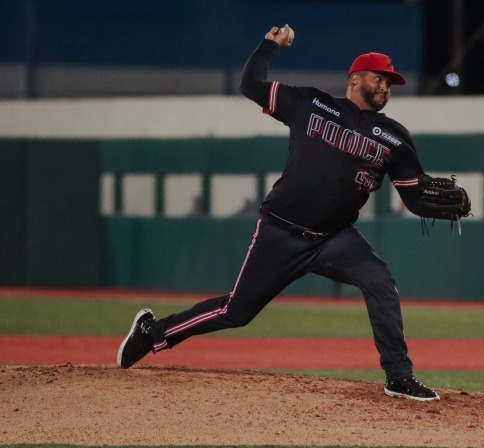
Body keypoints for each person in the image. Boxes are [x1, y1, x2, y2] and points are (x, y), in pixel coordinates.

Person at [117, 24, 446, 401]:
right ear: (354, 79)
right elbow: (251, 85)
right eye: (379, 77)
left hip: (335, 238)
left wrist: (442, 205)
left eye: (391, 82)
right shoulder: (312, 103)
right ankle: (153, 333)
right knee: (235, 311)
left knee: (381, 283)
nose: (386, 86)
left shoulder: (396, 138)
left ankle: (398, 376)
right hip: (281, 232)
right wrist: (268, 46)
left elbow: (414, 197)